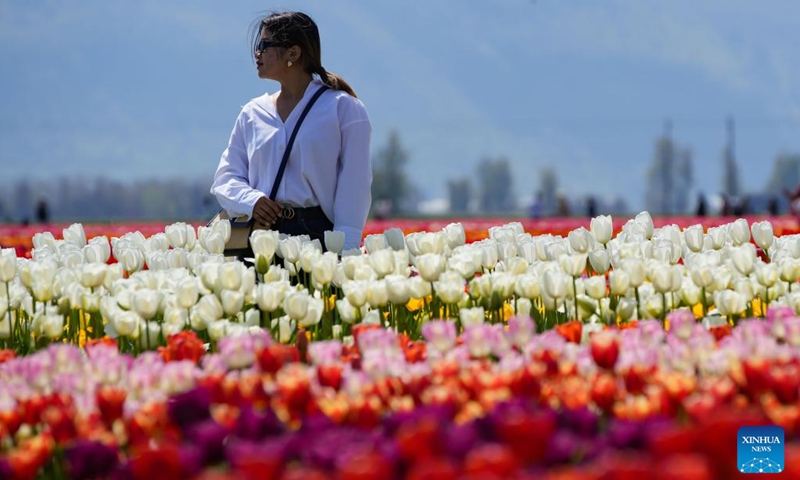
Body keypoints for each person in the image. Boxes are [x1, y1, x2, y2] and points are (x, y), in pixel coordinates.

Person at [211, 11, 372, 251]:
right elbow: (225, 179)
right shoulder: (252, 113)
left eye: (264, 45)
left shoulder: (343, 108)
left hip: (318, 235)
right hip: (260, 234)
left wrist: (345, 249)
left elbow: (354, 185)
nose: (257, 53)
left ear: (293, 53)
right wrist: (252, 200)